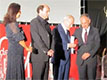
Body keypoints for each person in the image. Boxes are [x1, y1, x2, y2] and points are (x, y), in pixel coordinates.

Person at [3, 3, 32, 80]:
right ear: (15, 12)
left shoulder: (10, 24)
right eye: (19, 11)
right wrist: (27, 47)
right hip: (15, 53)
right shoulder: (12, 25)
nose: (20, 13)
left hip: (14, 52)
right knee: (16, 72)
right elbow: (19, 39)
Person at [30, 4, 54, 80]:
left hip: (46, 57)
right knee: (37, 77)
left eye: (49, 12)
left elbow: (51, 37)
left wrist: (51, 50)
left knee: (45, 77)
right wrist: (46, 50)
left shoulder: (47, 24)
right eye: (47, 11)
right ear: (40, 11)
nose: (48, 13)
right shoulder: (34, 22)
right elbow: (37, 39)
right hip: (38, 56)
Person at [74, 14, 100, 80]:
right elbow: (72, 42)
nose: (83, 25)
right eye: (82, 23)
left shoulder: (95, 31)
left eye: (85, 23)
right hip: (80, 59)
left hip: (91, 59)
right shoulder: (77, 31)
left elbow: (97, 44)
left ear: (89, 21)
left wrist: (90, 53)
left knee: (91, 78)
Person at [52, 15, 77, 80]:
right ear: (65, 21)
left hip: (67, 59)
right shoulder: (56, 30)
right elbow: (55, 44)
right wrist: (68, 45)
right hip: (59, 59)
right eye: (71, 24)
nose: (71, 26)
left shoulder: (67, 31)